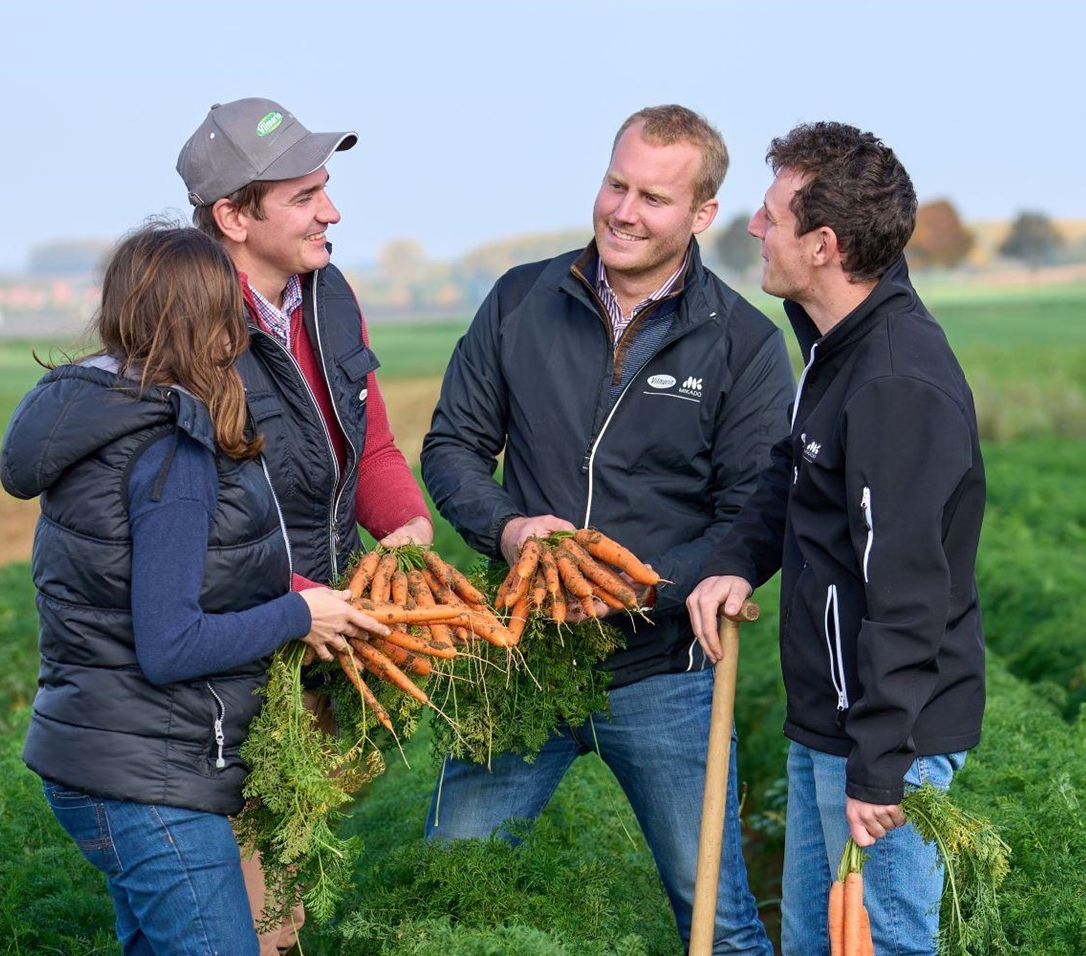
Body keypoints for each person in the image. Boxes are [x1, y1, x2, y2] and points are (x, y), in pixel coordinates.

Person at [420, 104, 794, 954]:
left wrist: (639, 590)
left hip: (664, 675)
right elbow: (451, 449)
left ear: (701, 214)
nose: (623, 211)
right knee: (448, 891)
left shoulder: (740, 343)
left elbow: (753, 519)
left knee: (716, 918)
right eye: (615, 184)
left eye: (653, 198)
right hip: (518, 657)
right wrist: (510, 530)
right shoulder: (522, 299)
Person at [0, 224, 391, 955]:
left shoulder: (110, 419)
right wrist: (298, 612)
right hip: (150, 783)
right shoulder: (170, 455)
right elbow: (171, 645)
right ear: (210, 322)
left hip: (105, 757)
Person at [685, 122, 987, 956]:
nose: (751, 226)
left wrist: (882, 764)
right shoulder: (834, 341)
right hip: (831, 719)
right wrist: (736, 565)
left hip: (888, 737)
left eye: (772, 214)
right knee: (819, 942)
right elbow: (793, 476)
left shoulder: (895, 383)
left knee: (883, 944)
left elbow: (909, 591)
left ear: (822, 244)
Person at [177, 97, 433, 950]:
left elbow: (372, 442)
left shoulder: (327, 297)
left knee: (292, 850)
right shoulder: (185, 329)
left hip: (317, 629)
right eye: (305, 195)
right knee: (248, 863)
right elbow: (191, 525)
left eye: (327, 188)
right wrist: (297, 601)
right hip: (231, 638)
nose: (332, 211)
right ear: (233, 217)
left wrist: (403, 527)